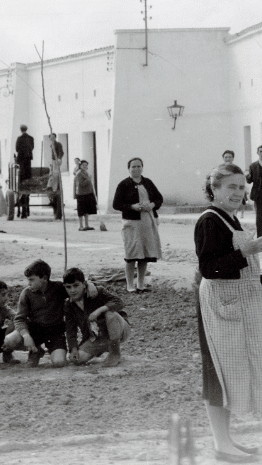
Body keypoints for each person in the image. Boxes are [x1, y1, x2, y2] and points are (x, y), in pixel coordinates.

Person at [195, 162, 262, 463]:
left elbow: (237, 271)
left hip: (235, 303)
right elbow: (209, 269)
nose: (238, 192)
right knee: (218, 374)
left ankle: (227, 440)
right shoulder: (209, 221)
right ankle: (221, 444)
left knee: (232, 374)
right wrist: (245, 253)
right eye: (231, 187)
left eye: (240, 187)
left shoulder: (230, 220)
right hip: (219, 308)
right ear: (215, 189)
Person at [112, 157, 164, 293]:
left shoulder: (148, 183)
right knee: (131, 254)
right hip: (131, 223)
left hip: (147, 221)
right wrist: (132, 207)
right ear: (128, 168)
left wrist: (152, 205)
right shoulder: (123, 184)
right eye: (133, 167)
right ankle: (130, 285)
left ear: (142, 167)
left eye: (138, 166)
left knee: (144, 254)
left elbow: (159, 198)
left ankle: (141, 284)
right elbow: (116, 204)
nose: (136, 169)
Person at [3, 260, 68, 368]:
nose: (29, 283)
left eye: (32, 280)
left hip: (55, 331)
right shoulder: (27, 293)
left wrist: (90, 286)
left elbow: (76, 290)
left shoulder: (59, 288)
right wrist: (26, 335)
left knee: (59, 362)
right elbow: (19, 319)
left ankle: (43, 350)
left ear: (44, 278)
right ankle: (35, 351)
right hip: (35, 330)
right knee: (10, 340)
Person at [63, 268, 129, 368]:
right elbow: (70, 329)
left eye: (76, 285)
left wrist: (99, 310)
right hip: (96, 337)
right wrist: (73, 348)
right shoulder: (69, 305)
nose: (72, 290)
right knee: (76, 359)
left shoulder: (97, 292)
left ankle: (115, 352)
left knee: (110, 314)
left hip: (119, 329)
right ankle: (103, 349)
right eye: (69, 287)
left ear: (84, 284)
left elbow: (118, 302)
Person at [73, 159, 97, 231]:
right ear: (80, 166)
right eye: (83, 165)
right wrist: (88, 179)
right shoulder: (79, 173)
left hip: (87, 193)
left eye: (86, 165)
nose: (85, 166)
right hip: (81, 194)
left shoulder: (85, 172)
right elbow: (81, 184)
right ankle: (81, 226)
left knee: (87, 210)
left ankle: (86, 225)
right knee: (81, 210)